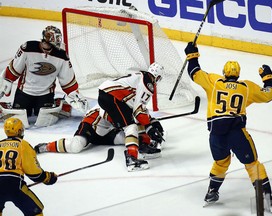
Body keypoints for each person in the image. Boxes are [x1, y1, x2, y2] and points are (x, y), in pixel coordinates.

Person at [184, 42, 272, 213]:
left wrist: (192, 54)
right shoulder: (247, 88)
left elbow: (194, 73)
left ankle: (211, 192)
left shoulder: (214, 82)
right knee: (252, 164)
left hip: (216, 135)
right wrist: (268, 78)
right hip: (237, 134)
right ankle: (267, 199)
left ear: (224, 73)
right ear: (238, 74)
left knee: (221, 162)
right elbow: (270, 95)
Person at [0, 25, 88, 118]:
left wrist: (74, 94)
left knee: (44, 118)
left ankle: (59, 102)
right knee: (19, 116)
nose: (59, 41)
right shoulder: (28, 48)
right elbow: (15, 68)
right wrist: (7, 81)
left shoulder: (61, 56)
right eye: (57, 38)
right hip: (24, 92)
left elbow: (67, 80)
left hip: (45, 94)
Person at [97, 62, 165, 171]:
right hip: (112, 97)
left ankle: (142, 145)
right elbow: (139, 111)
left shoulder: (141, 76)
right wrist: (149, 127)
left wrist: (150, 122)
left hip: (107, 94)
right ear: (158, 76)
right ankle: (131, 159)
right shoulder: (148, 82)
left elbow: (138, 109)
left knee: (135, 120)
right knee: (130, 127)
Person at [34, 104, 163, 161]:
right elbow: (132, 122)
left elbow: (142, 116)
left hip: (108, 131)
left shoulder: (131, 103)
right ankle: (45, 146)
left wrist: (154, 125)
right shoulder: (113, 104)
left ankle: (143, 148)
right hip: (91, 126)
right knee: (76, 146)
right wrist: (146, 129)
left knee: (136, 138)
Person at [0, 117, 58, 215]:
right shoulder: (23, 145)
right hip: (14, 185)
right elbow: (34, 174)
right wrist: (48, 177)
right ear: (19, 131)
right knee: (36, 211)